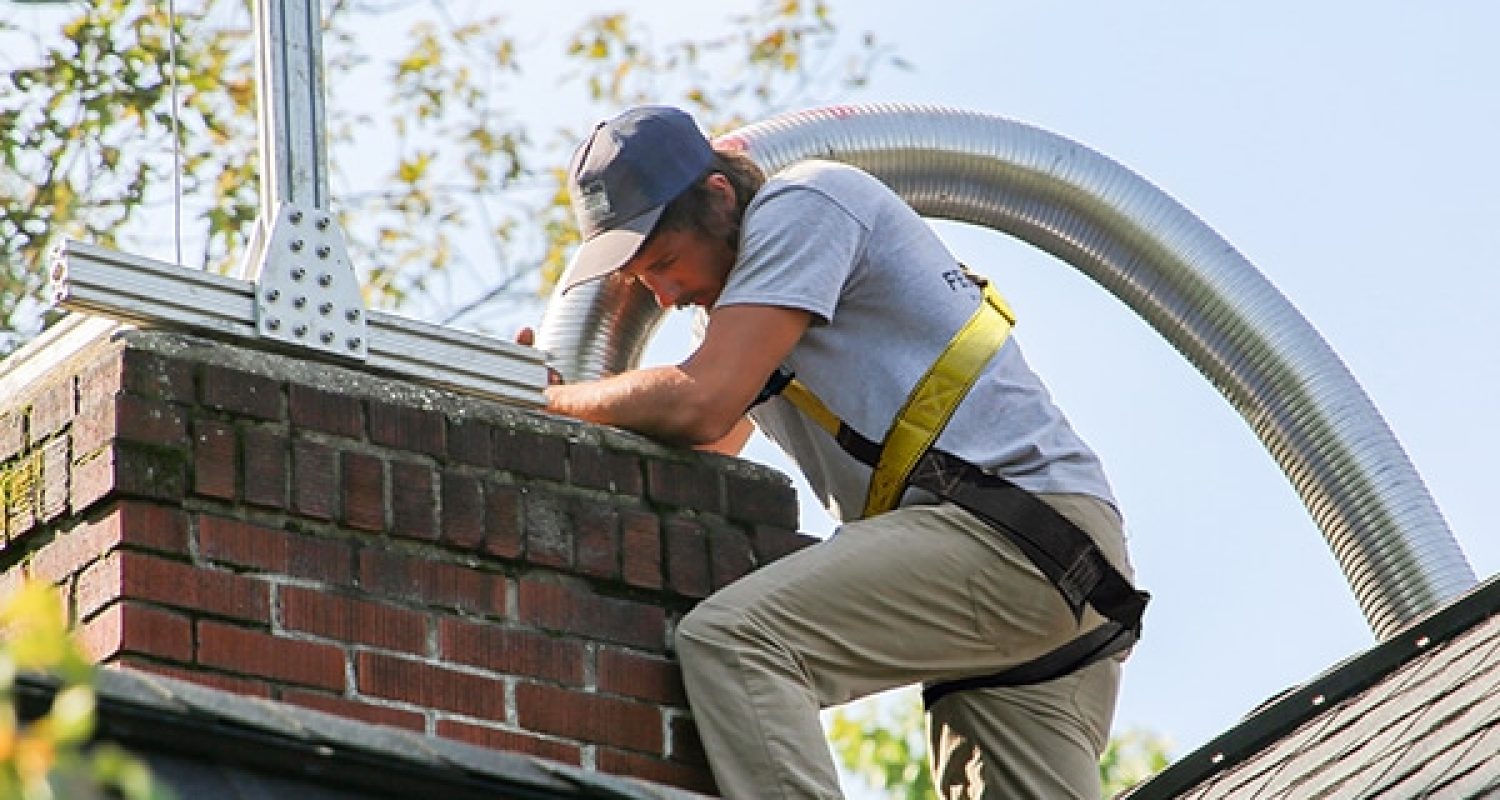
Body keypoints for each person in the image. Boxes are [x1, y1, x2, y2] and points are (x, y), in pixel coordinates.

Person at [535, 105, 1147, 799]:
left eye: (667, 264)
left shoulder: (806, 204)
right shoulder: (763, 307)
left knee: (740, 644)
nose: (666, 297)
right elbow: (706, 439)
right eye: (646, 281)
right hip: (1048, 572)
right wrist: (575, 412)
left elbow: (701, 401)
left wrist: (548, 401)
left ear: (717, 195)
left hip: (1009, 538)